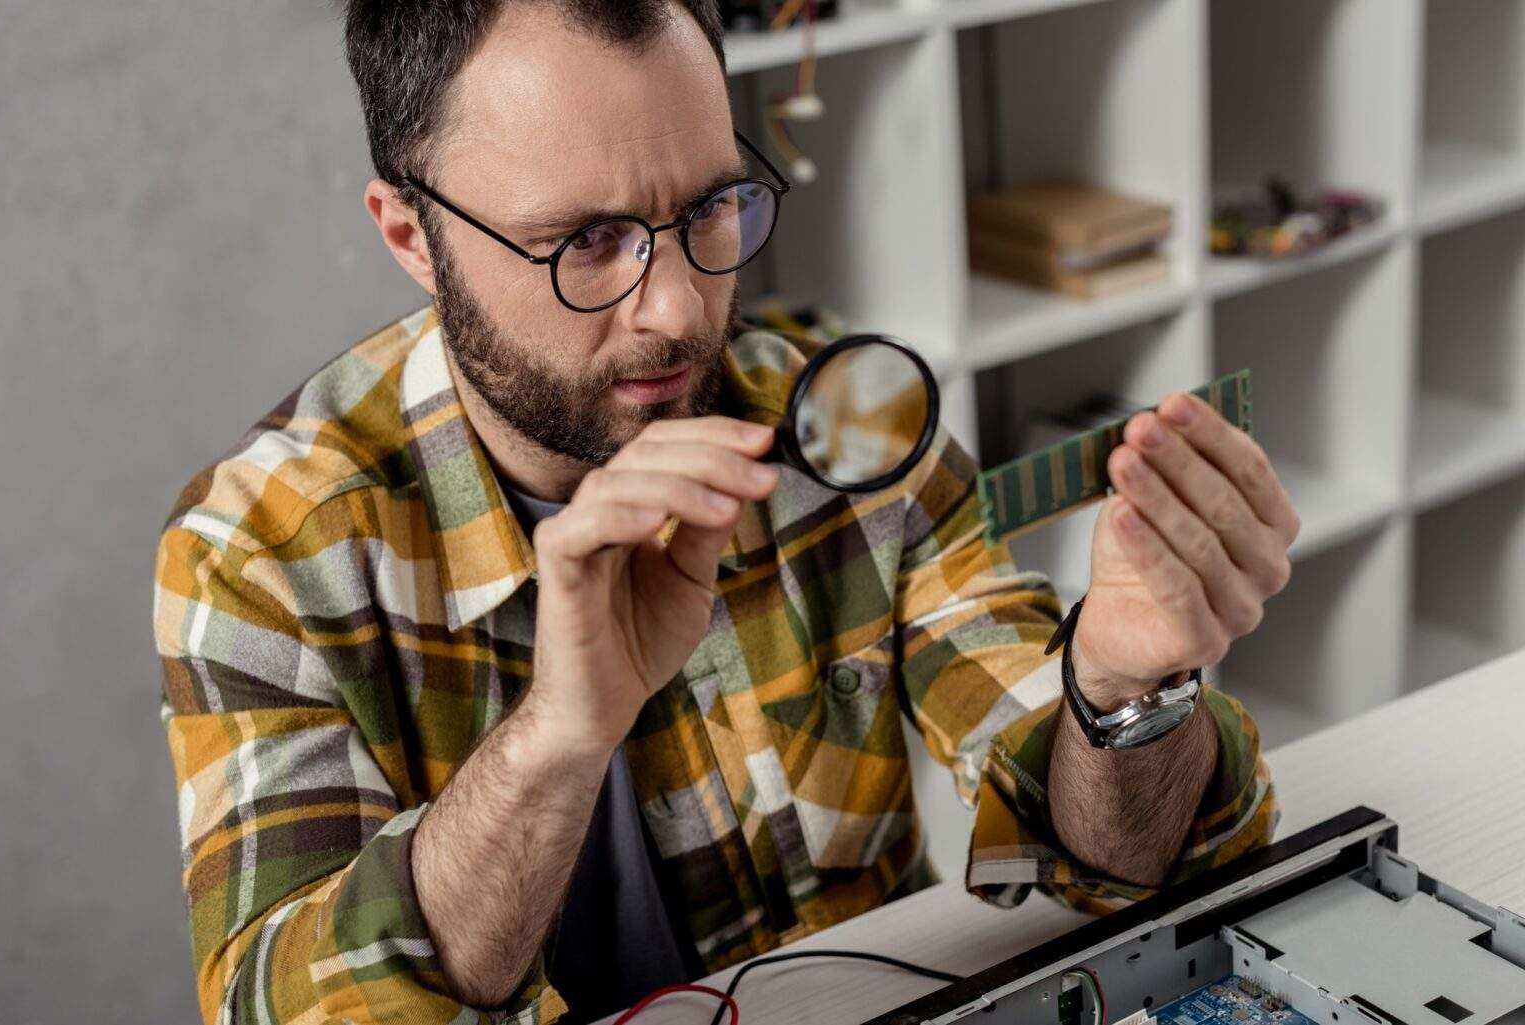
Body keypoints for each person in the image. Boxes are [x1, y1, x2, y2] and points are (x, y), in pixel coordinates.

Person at [152, 2, 1298, 1023]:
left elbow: (1117, 859)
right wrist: (560, 732)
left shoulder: (845, 433)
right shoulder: (261, 553)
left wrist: (1122, 694)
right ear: (413, 234)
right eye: (584, 242)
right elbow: (285, 1004)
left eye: (711, 208)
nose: (676, 309)